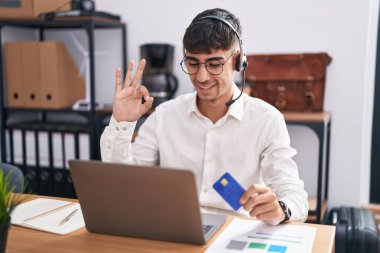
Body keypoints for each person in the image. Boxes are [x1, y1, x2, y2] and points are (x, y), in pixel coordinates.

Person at [100, 8, 308, 225]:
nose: (201, 76)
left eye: (214, 64)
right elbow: (123, 180)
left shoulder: (267, 119)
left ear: (237, 61)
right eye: (193, 63)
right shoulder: (165, 116)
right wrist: (121, 123)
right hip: (175, 227)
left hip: (235, 231)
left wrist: (281, 209)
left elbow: (293, 193)